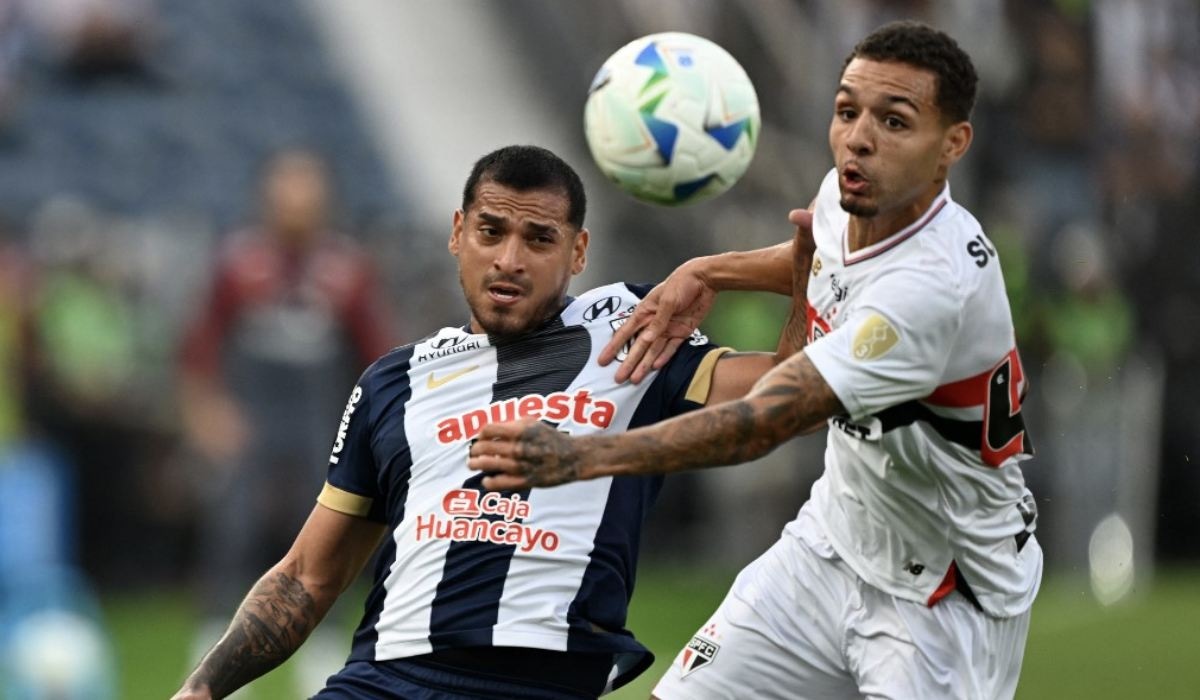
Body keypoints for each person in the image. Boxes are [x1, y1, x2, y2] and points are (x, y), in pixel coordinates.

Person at [469, 22, 1042, 700]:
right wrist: (709, 270)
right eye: (847, 111)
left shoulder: (930, 291)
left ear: (953, 144)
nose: (858, 138)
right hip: (828, 548)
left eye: (894, 121)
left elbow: (765, 419)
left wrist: (583, 457)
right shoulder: (851, 193)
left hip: (942, 595)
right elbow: (823, 256)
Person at [173, 144, 813, 700]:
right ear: (457, 233)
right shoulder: (394, 381)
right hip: (379, 679)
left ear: (579, 251)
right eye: (490, 231)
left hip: (534, 682)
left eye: (539, 239)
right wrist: (202, 687)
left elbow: (794, 392)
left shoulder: (632, 330)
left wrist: (719, 269)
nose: (510, 259)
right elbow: (306, 577)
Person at [178, 147, 397, 694]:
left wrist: (372, 434)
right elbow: (200, 345)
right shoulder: (237, 261)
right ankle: (213, 662)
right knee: (233, 534)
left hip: (320, 425)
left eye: (307, 185)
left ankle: (321, 659)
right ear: (266, 194)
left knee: (327, 536)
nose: (296, 198)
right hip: (250, 422)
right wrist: (208, 412)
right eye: (286, 184)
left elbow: (379, 357)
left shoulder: (347, 268)